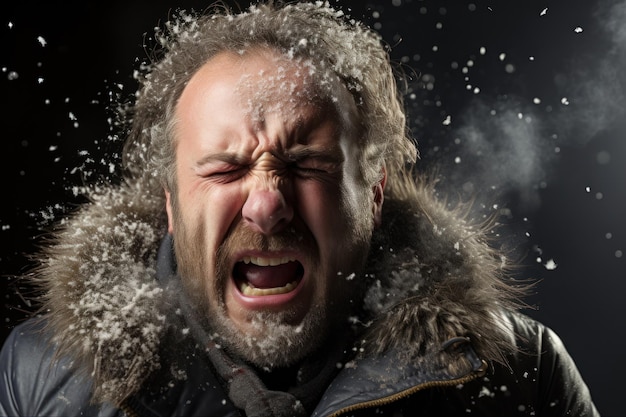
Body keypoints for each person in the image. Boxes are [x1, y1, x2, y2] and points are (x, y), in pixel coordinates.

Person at [0, 1, 599, 416]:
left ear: (375, 191)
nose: (266, 205)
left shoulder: (523, 374)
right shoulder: (41, 372)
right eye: (225, 169)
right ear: (170, 203)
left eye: (308, 165)